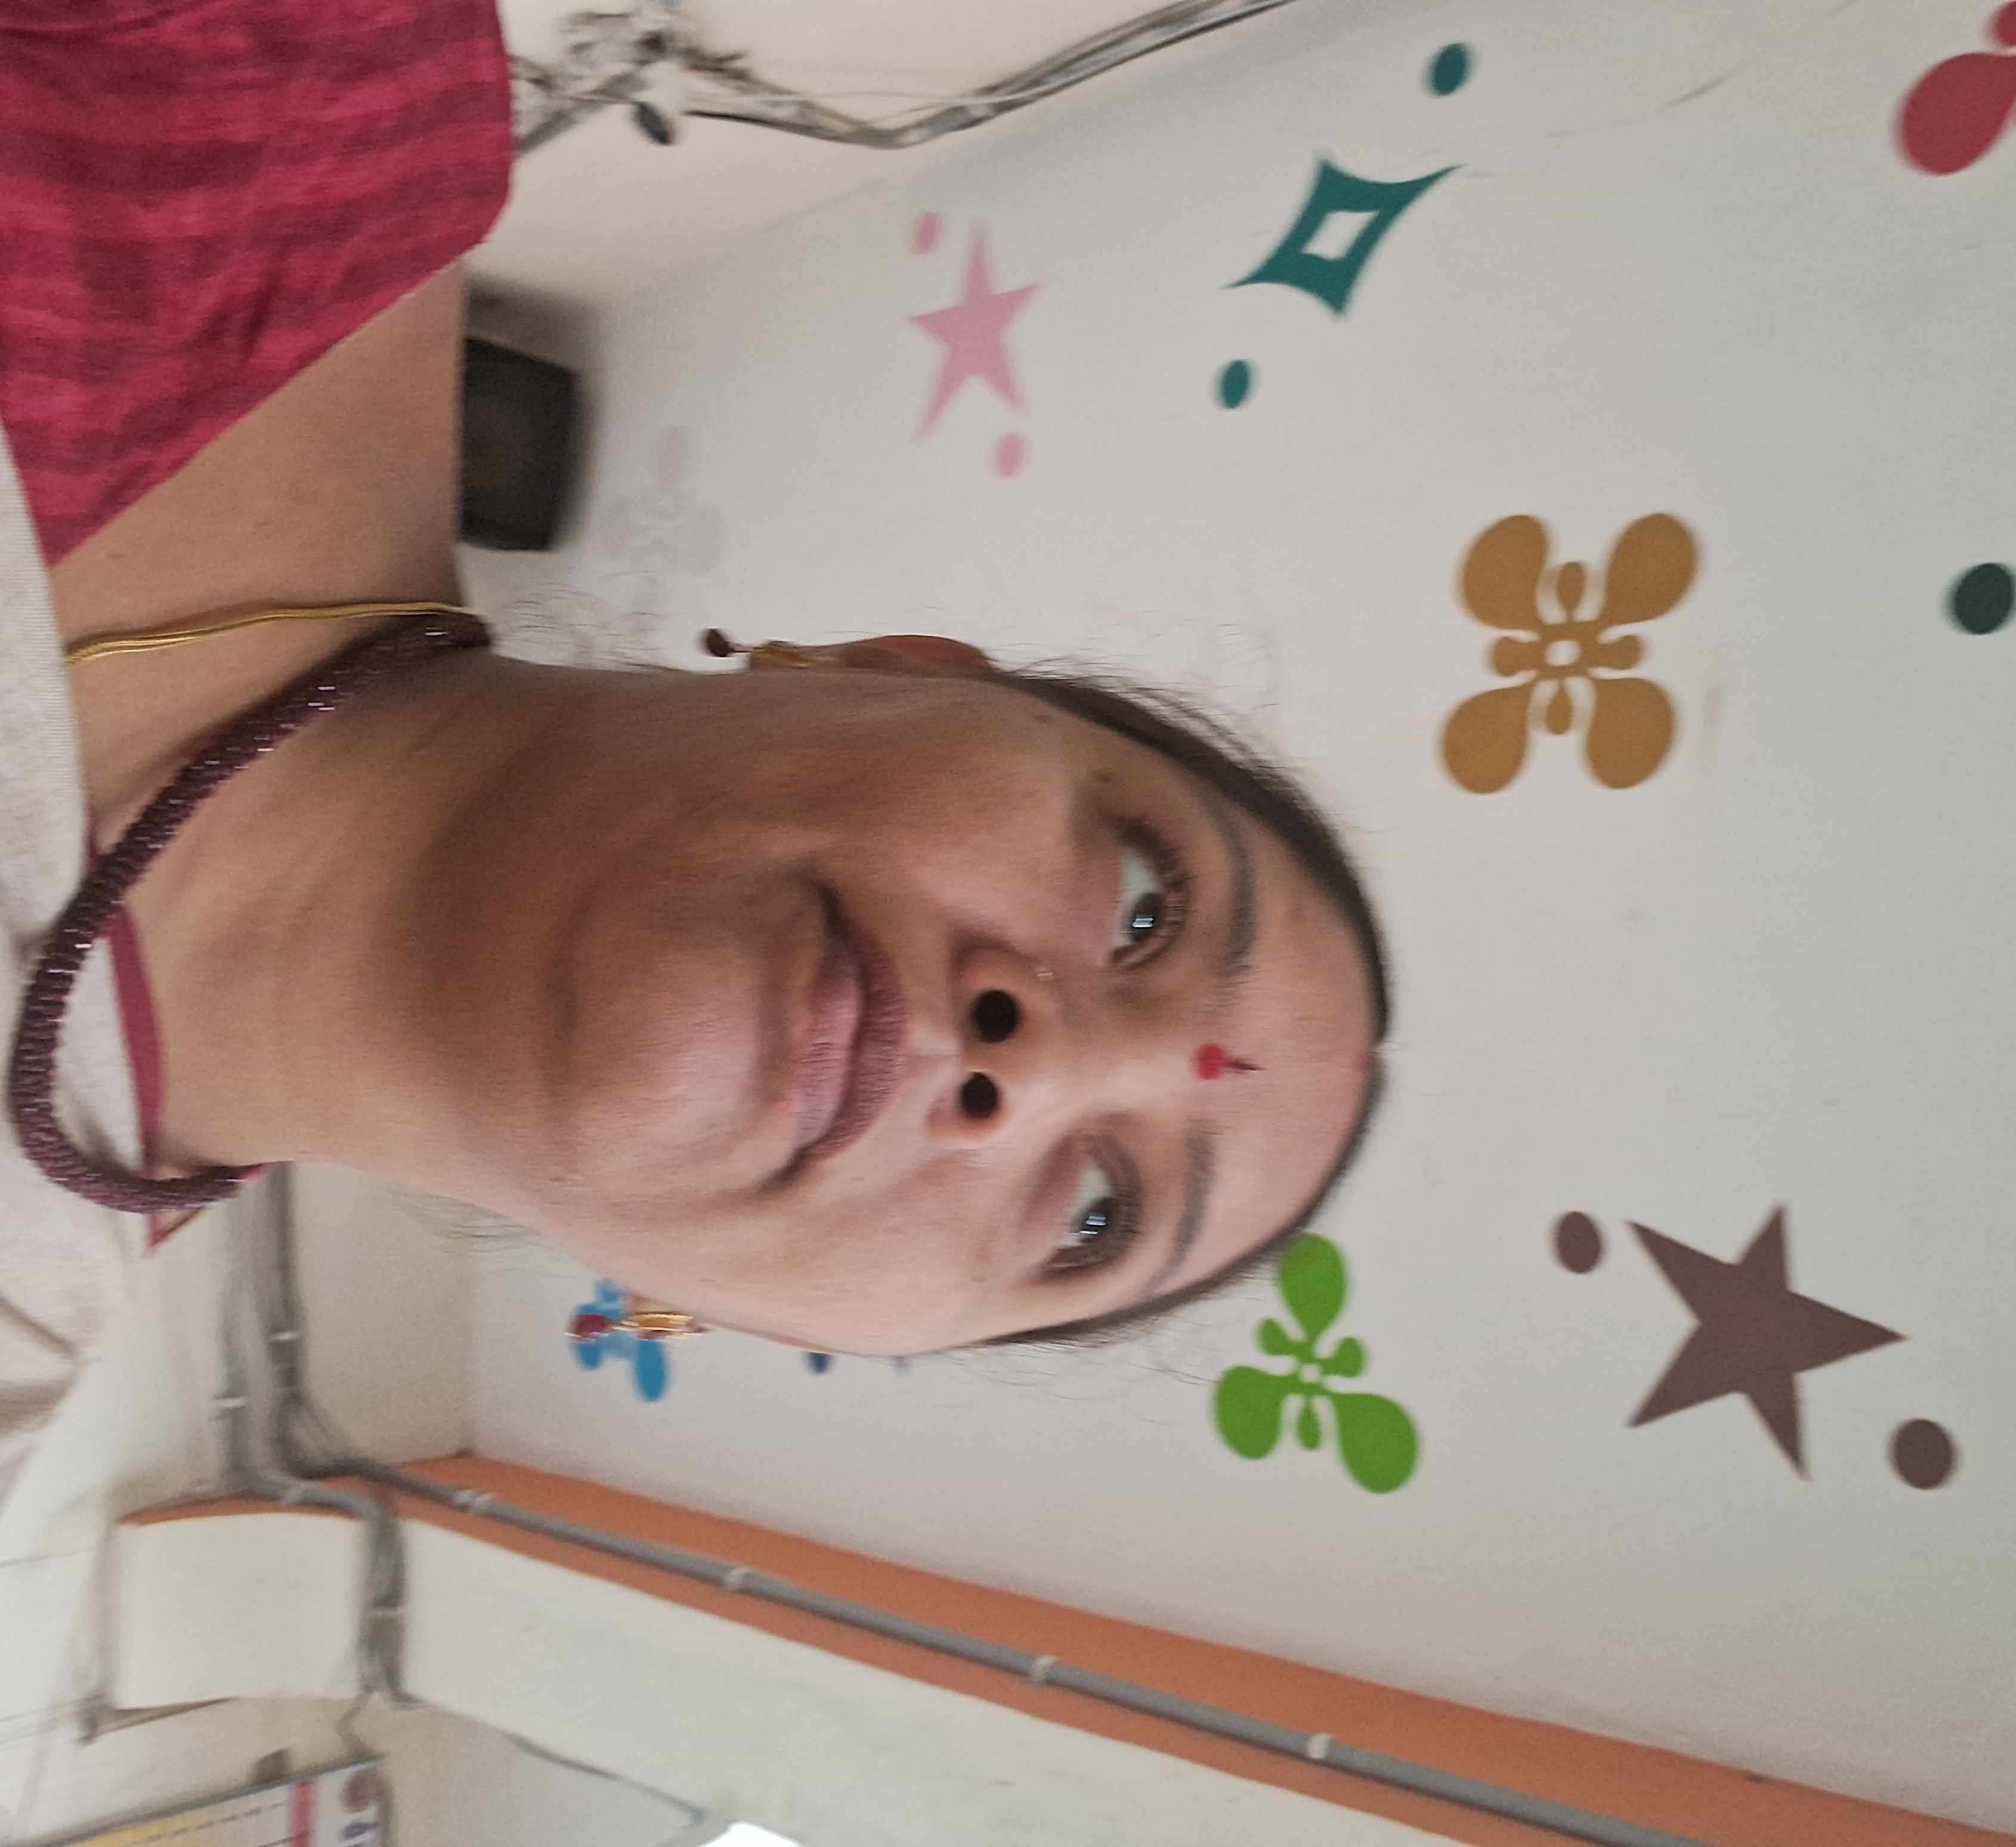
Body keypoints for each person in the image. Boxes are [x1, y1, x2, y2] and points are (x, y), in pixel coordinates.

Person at [0, 0, 1387, 1507]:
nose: (1043, 1063)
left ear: (791, 1331)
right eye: (1144, 902)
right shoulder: (276, 75)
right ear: (894, 666)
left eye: (1098, 1219)